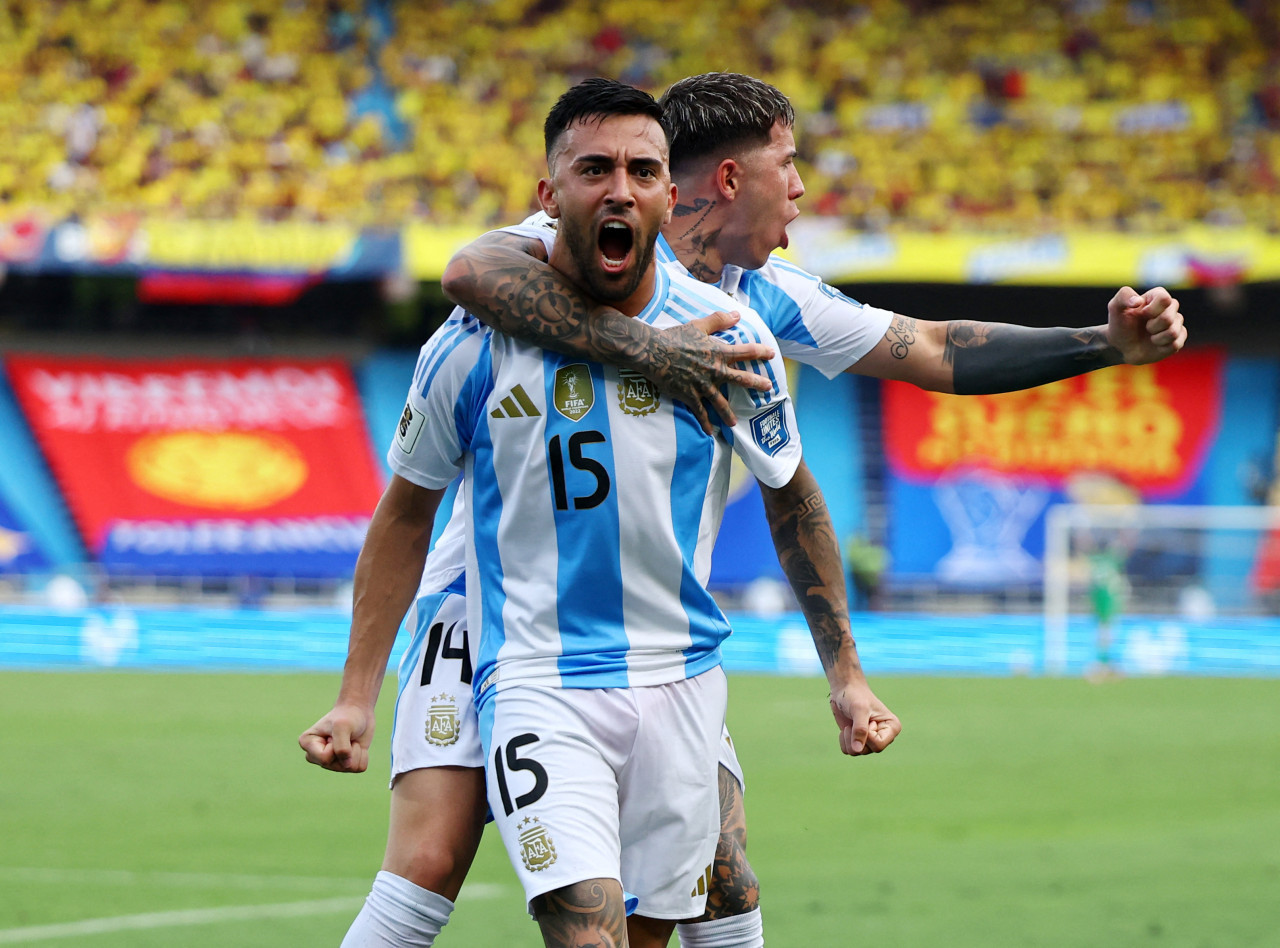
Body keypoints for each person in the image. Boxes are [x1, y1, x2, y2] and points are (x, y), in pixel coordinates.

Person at [438, 71, 1187, 947]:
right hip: (496, 613)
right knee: (430, 861)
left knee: (725, 880)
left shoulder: (764, 296)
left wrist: (1104, 344)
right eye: (787, 166)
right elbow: (470, 270)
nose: (801, 189)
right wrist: (654, 352)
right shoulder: (583, 238)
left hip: (657, 647)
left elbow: (933, 352)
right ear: (727, 181)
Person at [301, 78, 897, 948]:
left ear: (669, 194)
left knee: (706, 892)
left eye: (641, 170)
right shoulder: (472, 343)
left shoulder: (730, 338)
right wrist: (355, 694)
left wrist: (846, 675)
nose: (619, 188)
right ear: (549, 197)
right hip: (522, 658)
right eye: (594, 169)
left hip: (675, 673)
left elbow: (794, 493)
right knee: (487, 889)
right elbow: (405, 512)